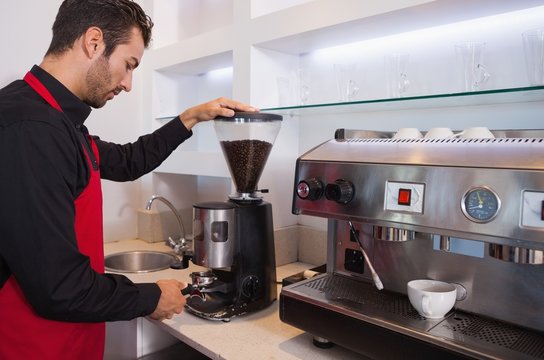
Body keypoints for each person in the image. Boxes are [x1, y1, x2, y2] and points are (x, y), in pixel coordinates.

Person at [0, 1, 257, 359]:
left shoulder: (59, 122)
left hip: (70, 339)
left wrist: (191, 117)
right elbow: (59, 288)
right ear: (93, 42)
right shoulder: (30, 129)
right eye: (128, 65)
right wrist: (151, 297)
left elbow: (127, 161)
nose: (128, 84)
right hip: (31, 345)